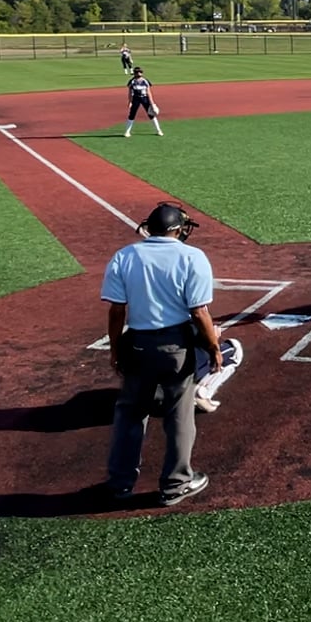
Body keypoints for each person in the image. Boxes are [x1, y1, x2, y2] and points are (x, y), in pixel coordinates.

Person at [102, 202, 221, 505]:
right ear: (178, 229)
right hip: (176, 347)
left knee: (130, 413)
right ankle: (176, 484)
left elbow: (117, 311)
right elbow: (199, 312)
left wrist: (115, 348)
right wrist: (213, 347)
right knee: (179, 414)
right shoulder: (192, 257)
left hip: (137, 344)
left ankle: (119, 483)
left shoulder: (124, 256)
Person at [191, 337, 245, 414]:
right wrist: (215, 348)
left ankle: (196, 391)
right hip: (189, 369)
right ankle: (201, 393)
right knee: (235, 349)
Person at [124, 67, 164, 137]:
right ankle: (127, 132)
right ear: (134, 73)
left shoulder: (145, 81)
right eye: (137, 72)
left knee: (151, 114)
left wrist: (152, 103)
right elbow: (130, 92)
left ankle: (158, 130)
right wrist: (130, 101)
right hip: (135, 98)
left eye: (140, 72)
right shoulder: (132, 81)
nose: (139, 73)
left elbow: (149, 92)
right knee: (132, 114)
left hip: (145, 98)